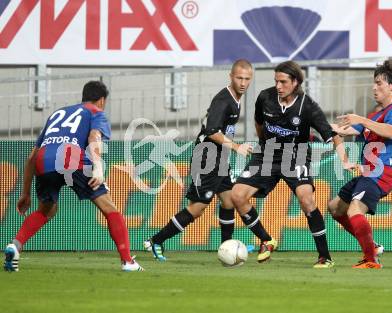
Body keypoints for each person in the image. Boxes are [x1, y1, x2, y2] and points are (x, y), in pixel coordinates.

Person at [4, 81, 144, 272]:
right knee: (110, 208)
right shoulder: (96, 112)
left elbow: (31, 157)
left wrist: (25, 193)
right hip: (71, 159)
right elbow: (94, 137)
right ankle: (128, 262)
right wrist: (98, 168)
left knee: (46, 210)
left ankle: (15, 245)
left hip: (43, 161)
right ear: (102, 100)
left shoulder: (56, 114)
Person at [231, 61, 353, 267]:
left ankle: (325, 257)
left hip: (295, 157)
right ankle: (267, 240)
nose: (278, 86)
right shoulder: (265, 97)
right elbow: (259, 123)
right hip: (267, 155)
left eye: (283, 82)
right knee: (237, 195)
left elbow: (333, 136)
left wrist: (345, 160)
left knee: (306, 200)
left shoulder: (309, 107)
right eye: (276, 81)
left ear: (295, 82)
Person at [143, 59, 254, 261]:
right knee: (198, 207)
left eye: (247, 78)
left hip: (220, 158)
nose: (243, 82)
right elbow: (211, 131)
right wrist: (237, 147)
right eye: (239, 78)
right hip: (207, 158)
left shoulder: (235, 99)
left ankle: (226, 247)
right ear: (231, 76)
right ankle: (156, 241)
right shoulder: (224, 100)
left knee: (229, 201)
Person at [329, 60, 392, 269]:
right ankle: (371, 246)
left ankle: (371, 259)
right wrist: (318, 122)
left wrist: (362, 120)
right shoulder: (375, 116)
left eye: (379, 83)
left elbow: (391, 131)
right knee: (336, 208)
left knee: (354, 211)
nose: (374, 87)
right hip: (368, 174)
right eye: (374, 83)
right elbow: (343, 130)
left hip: (380, 175)